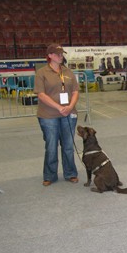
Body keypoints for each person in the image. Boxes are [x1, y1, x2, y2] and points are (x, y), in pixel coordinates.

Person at [34, 43, 80, 187]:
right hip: (48, 116)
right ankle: (49, 175)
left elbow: (75, 91)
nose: (61, 56)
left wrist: (70, 106)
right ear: (50, 56)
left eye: (62, 54)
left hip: (68, 114)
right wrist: (59, 107)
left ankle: (70, 173)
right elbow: (41, 95)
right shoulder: (41, 73)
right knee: (51, 146)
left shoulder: (68, 72)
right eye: (58, 54)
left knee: (68, 146)